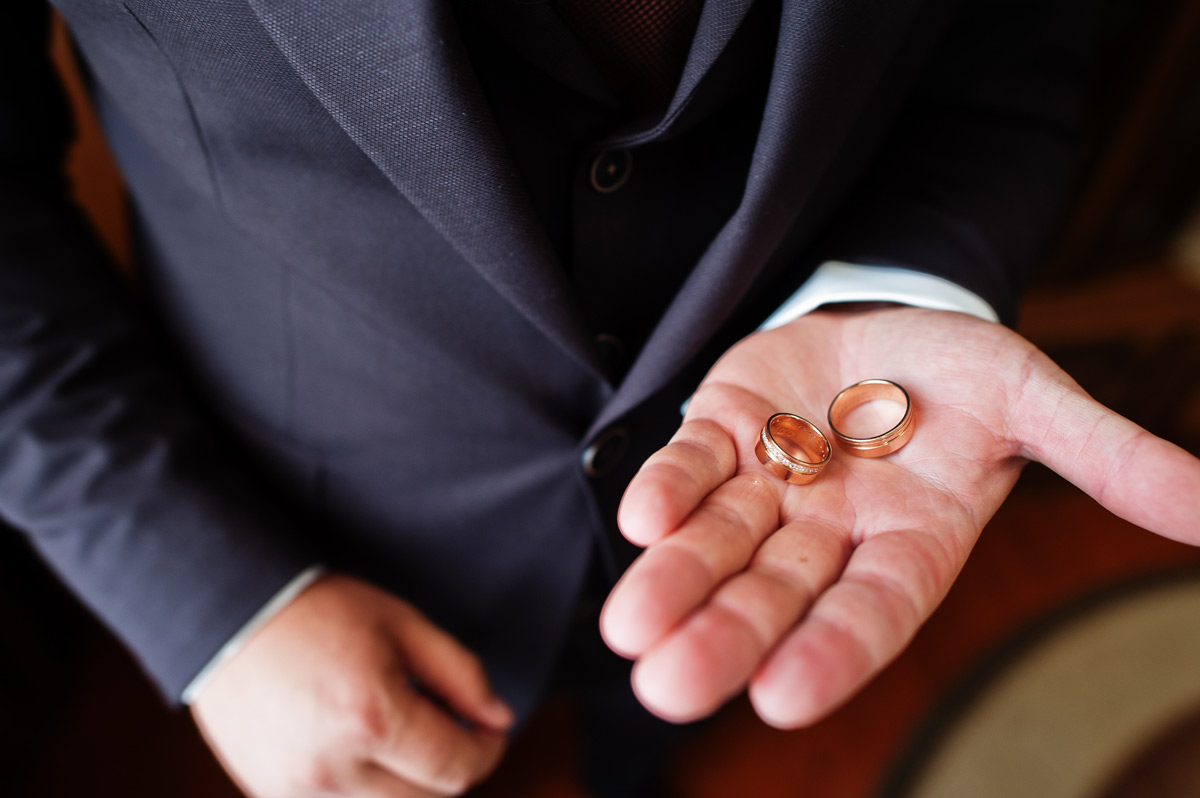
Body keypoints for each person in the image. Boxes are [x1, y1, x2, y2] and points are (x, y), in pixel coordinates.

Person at [3, 0, 1199, 796]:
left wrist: (900, 289)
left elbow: (1013, 39)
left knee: (671, 722)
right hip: (318, 518)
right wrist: (210, 601)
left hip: (769, 537)